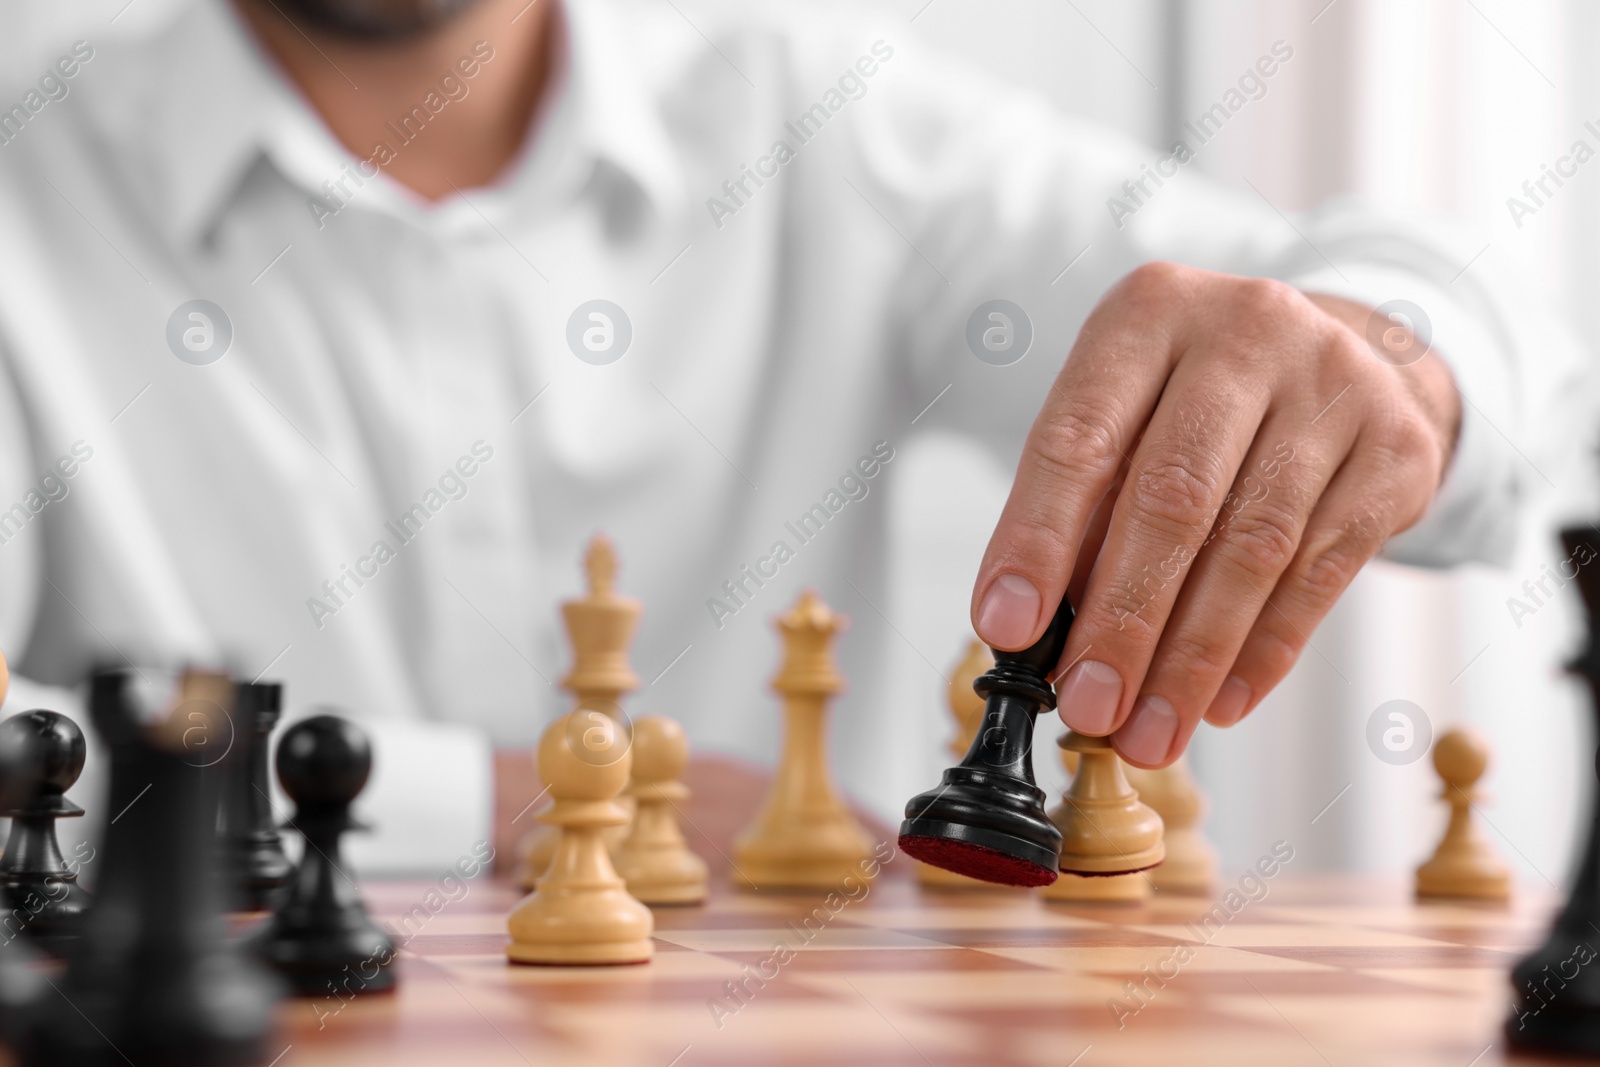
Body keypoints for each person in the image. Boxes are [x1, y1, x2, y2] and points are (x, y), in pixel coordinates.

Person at [0, 0, 1580, 868]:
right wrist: (517, 802)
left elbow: (1477, 337)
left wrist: (1387, 362)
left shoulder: (832, 128)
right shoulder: (25, 181)